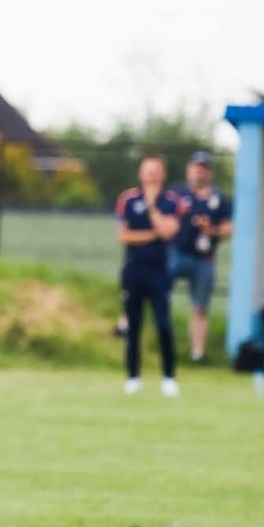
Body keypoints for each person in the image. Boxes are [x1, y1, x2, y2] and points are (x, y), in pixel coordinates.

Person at [115, 155, 182, 395]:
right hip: (133, 269)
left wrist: (152, 206)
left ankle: (169, 377)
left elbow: (168, 232)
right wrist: (152, 234)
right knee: (133, 325)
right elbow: (123, 236)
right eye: (148, 171)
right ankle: (133, 376)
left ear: (163, 175)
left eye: (156, 172)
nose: (152, 176)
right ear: (141, 174)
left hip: (159, 271)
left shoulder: (171, 201)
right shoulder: (128, 199)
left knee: (163, 324)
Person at [167, 151, 232, 363]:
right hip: (176, 253)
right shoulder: (176, 194)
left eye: (203, 168)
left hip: (204, 259)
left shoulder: (219, 199)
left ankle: (197, 354)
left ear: (209, 172)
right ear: (189, 170)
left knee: (200, 306)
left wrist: (210, 229)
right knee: (160, 296)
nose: (199, 172)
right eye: (195, 167)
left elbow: (227, 230)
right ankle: (162, 344)